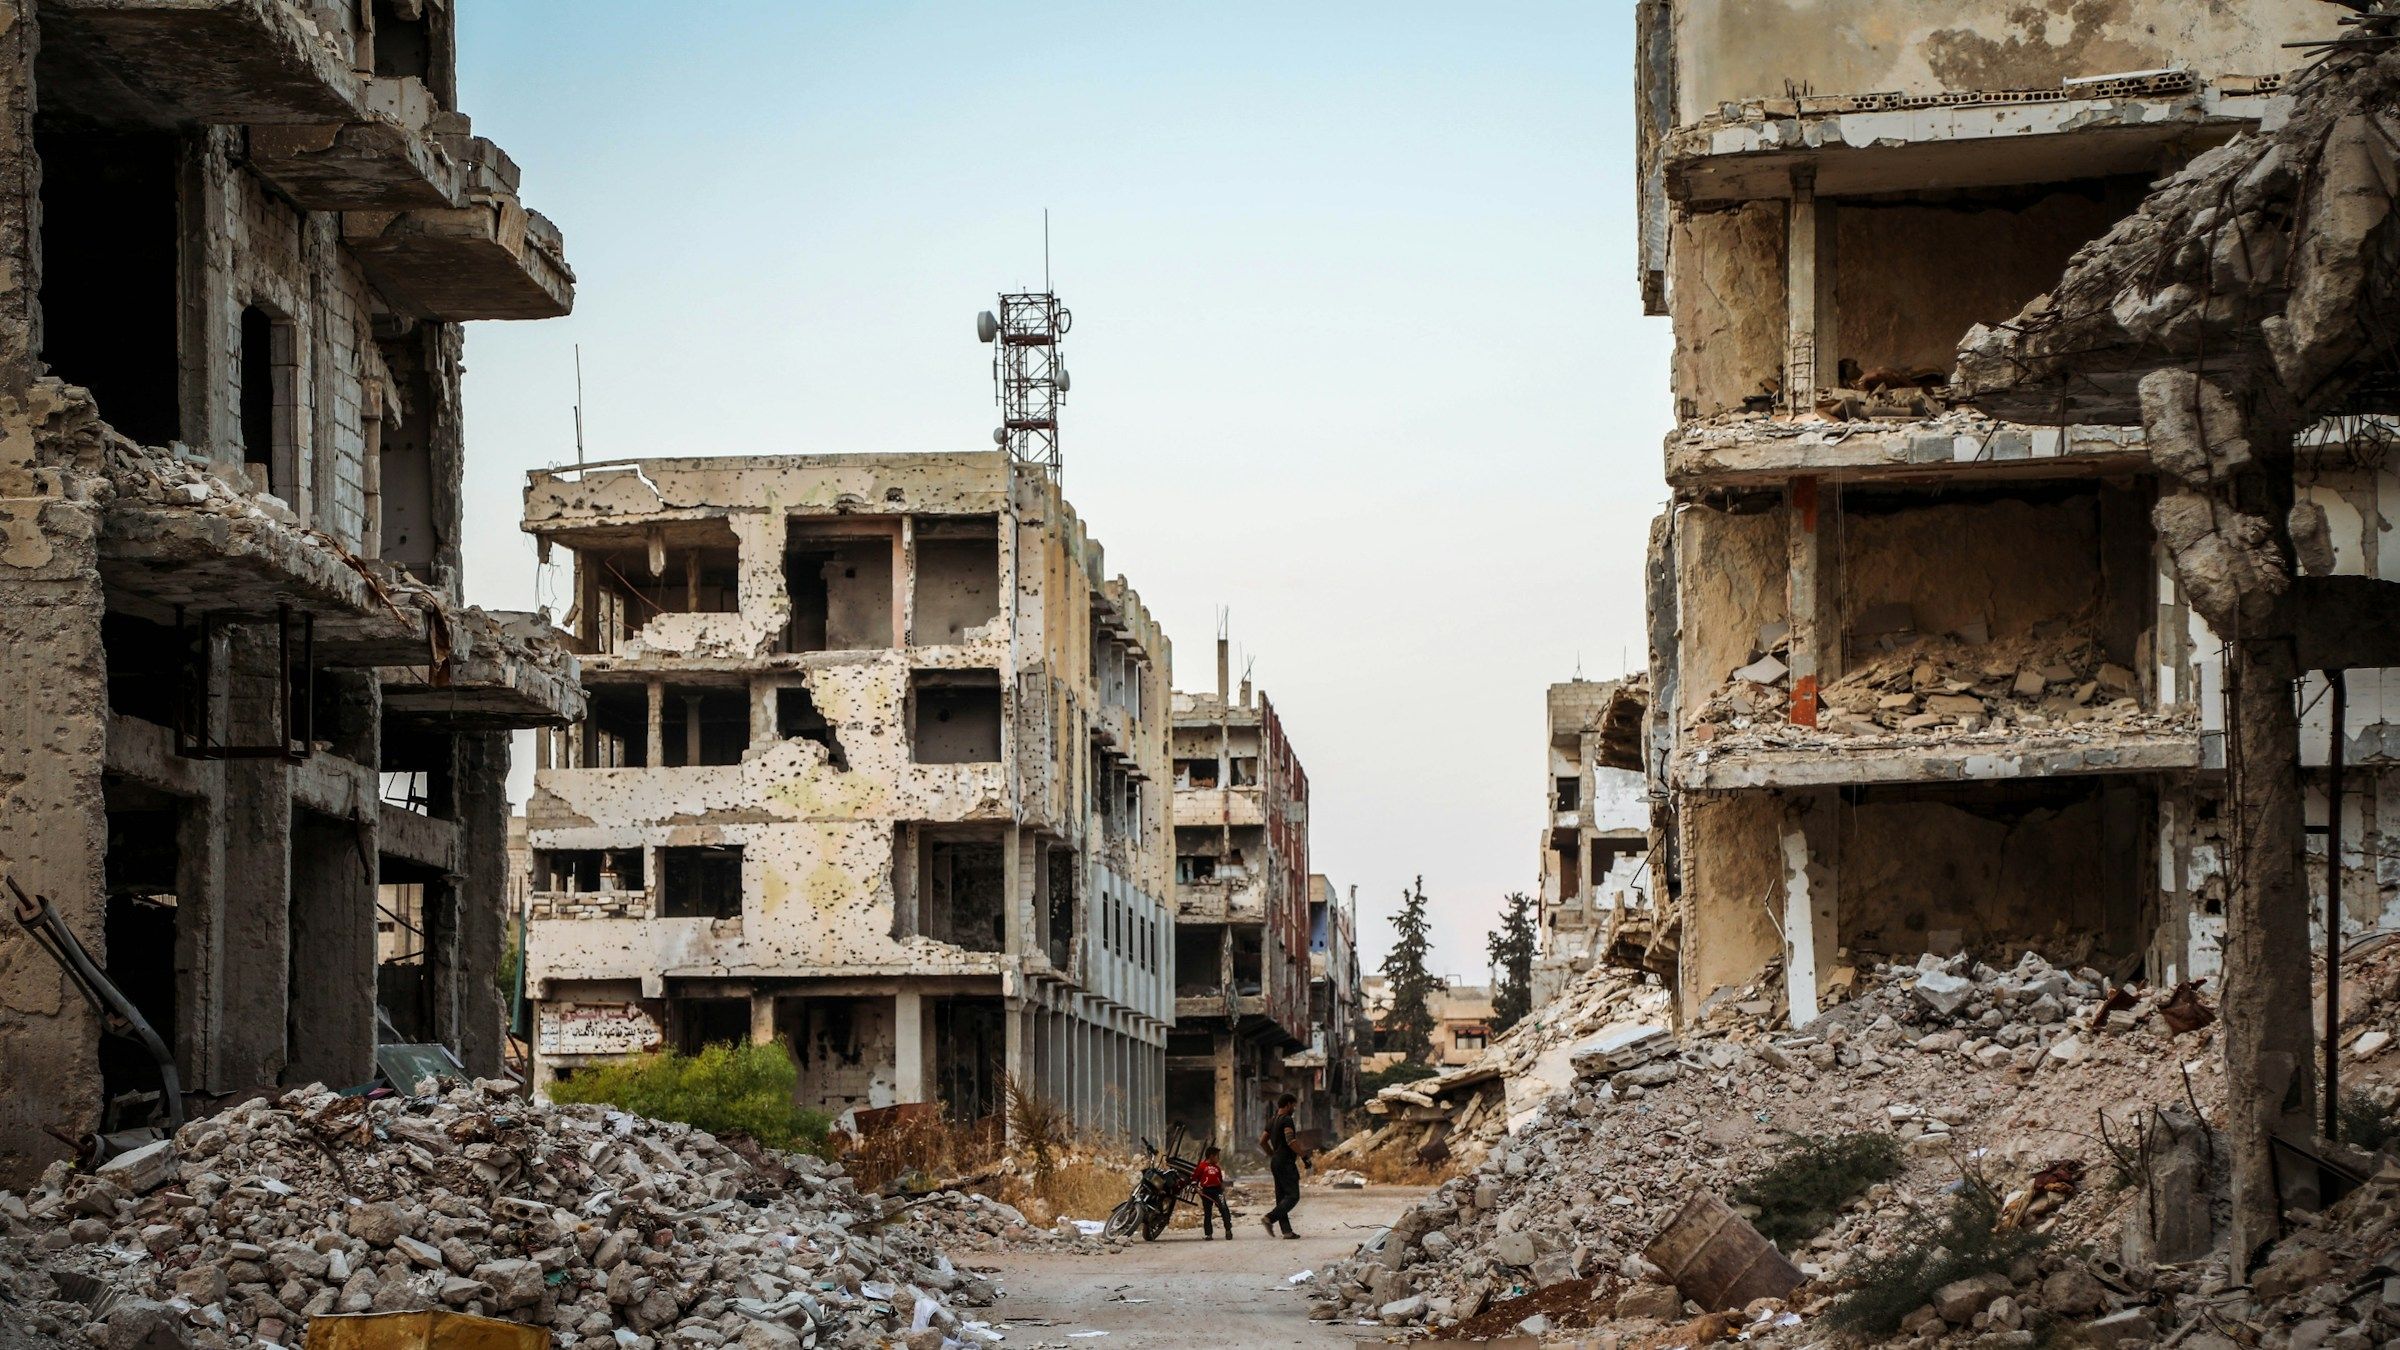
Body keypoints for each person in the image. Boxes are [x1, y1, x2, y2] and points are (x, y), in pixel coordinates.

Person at [1259, 1093, 1310, 1238]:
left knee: (1281, 1198)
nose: (1294, 1108)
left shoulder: (1272, 1120)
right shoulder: (1287, 1120)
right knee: (1293, 1196)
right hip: (1286, 1162)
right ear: (1288, 1104)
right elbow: (1290, 1141)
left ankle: (1286, 1231)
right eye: (1293, 1105)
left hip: (1276, 1162)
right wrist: (1304, 1156)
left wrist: (1272, 1155)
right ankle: (1269, 1218)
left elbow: (1262, 1141)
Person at [1194, 1145, 1233, 1239]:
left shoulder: (1217, 1168)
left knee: (1224, 1209)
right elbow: (1195, 1178)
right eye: (1217, 1156)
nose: (1218, 1158)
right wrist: (1197, 1188)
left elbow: (1220, 1180)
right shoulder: (1202, 1166)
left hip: (1218, 1191)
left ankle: (1228, 1230)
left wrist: (1223, 1189)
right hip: (1206, 1192)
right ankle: (1208, 1234)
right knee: (1208, 1213)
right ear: (1211, 1156)